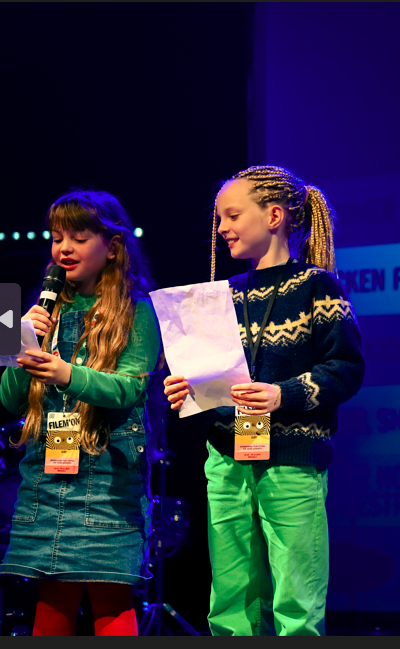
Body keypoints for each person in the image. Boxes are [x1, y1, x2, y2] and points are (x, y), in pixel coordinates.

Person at [163, 165, 365, 636]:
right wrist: (188, 389)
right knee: (230, 599)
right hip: (226, 457)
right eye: (219, 218)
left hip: (292, 458)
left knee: (296, 600)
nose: (221, 228)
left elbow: (347, 369)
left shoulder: (318, 286)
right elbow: (215, 379)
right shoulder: (224, 295)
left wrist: (282, 394)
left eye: (232, 216)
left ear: (274, 216)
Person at [0, 190, 160, 636]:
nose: (64, 248)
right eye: (56, 238)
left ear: (112, 246)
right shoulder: (31, 310)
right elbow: (7, 400)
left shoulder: (140, 311)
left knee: (110, 598)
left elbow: (130, 388)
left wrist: (66, 373)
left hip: (108, 482)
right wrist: (21, 342)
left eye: (78, 237)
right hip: (46, 479)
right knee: (51, 598)